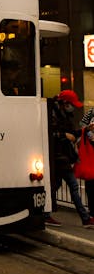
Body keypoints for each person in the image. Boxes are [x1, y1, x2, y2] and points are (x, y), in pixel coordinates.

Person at [45, 89, 94, 228]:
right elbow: (50, 131)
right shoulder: (52, 114)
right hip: (58, 156)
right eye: (71, 104)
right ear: (65, 103)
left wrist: (86, 130)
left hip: (61, 156)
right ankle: (85, 218)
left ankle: (45, 213)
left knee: (56, 186)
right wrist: (64, 135)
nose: (73, 107)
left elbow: (72, 133)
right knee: (73, 185)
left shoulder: (63, 114)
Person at [80, 105, 94, 217]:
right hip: (91, 148)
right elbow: (82, 124)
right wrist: (88, 133)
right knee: (91, 180)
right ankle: (92, 208)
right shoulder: (92, 111)